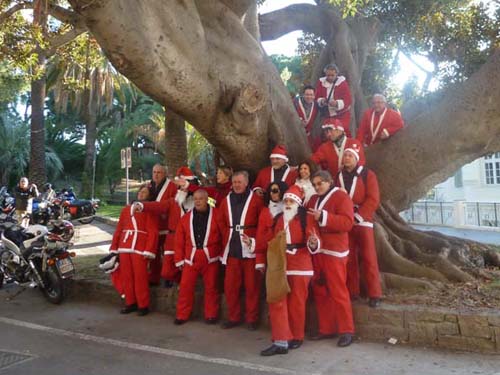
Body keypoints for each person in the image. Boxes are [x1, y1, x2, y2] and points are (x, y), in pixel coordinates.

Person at [253, 185, 319, 356]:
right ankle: (281, 339)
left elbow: (314, 239)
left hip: (301, 265)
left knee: (297, 303)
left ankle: (296, 336)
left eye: (291, 201)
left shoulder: (305, 219)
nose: (288, 204)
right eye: (286, 201)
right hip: (281, 265)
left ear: (297, 203)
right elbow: (269, 240)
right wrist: (253, 244)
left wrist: (313, 243)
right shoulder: (279, 219)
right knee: (277, 300)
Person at [307, 170, 355, 347]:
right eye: (314, 184)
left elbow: (348, 223)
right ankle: (326, 329)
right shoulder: (312, 200)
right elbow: (308, 222)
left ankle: (347, 330)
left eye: (320, 183)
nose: (317, 187)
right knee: (320, 291)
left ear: (329, 182)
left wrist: (325, 217)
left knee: (338, 291)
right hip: (317, 250)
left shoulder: (342, 198)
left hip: (335, 251)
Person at [133, 166, 197, 286]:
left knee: (187, 267)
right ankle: (179, 280)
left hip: (190, 240)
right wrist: (142, 206)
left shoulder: (199, 202)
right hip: (172, 238)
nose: (180, 189)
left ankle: (185, 283)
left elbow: (210, 196)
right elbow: (159, 206)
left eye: (183, 185)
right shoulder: (173, 201)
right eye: (179, 186)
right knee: (167, 272)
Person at [218, 170, 264, 330]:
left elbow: (262, 223)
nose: (236, 185)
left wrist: (254, 241)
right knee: (231, 287)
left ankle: (252, 319)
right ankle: (234, 317)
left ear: (246, 183)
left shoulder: (257, 200)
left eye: (239, 182)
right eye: (234, 182)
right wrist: (227, 235)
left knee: (252, 286)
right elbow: (220, 221)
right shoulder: (226, 200)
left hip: (249, 249)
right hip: (232, 248)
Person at [336, 147, 382, 307]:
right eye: (345, 155)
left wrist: (358, 216)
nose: (347, 158)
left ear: (356, 159)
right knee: (348, 258)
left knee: (369, 257)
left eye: (350, 156)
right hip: (345, 220)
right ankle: (353, 291)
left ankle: (374, 293)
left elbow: (373, 199)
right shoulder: (339, 176)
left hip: (363, 220)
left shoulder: (368, 174)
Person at [173, 190, 222, 325]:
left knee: (212, 288)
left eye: (201, 199)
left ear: (207, 199)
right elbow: (179, 240)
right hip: (191, 258)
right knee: (185, 288)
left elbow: (224, 236)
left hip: (211, 258)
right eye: (195, 199)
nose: (198, 201)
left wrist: (223, 256)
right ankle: (182, 315)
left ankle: (211, 315)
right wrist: (178, 259)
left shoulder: (217, 215)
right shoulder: (186, 218)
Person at [109, 184, 159, 316]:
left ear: (149, 196)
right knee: (127, 277)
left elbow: (152, 231)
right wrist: (114, 248)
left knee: (140, 277)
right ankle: (130, 303)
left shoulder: (149, 211)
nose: (142, 194)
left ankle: (143, 305)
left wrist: (149, 250)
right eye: (140, 192)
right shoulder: (126, 210)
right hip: (124, 246)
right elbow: (119, 229)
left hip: (140, 248)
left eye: (145, 193)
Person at [147, 163, 177, 285]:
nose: (156, 175)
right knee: (153, 252)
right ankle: (154, 277)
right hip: (152, 225)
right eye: (154, 172)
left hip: (166, 225)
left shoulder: (171, 186)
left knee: (167, 254)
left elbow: (175, 204)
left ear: (164, 174)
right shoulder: (149, 186)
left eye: (159, 172)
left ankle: (169, 278)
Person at [254, 181, 289, 272]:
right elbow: (260, 237)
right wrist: (260, 262)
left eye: (275, 190)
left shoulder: (291, 208)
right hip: (271, 254)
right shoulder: (265, 211)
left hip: (289, 255)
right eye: (270, 191)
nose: (271, 193)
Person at [315, 63, 352, 137]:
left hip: (341, 115)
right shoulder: (321, 82)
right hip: (327, 116)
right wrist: (322, 101)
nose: (330, 77)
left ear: (336, 74)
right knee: (326, 135)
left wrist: (337, 103)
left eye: (332, 75)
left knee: (341, 133)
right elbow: (317, 96)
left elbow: (348, 99)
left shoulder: (342, 83)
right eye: (328, 75)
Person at [293, 85, 320, 150]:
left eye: (311, 95)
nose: (309, 97)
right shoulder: (295, 102)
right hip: (294, 134)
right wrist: (298, 121)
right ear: (303, 95)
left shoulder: (316, 105)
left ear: (314, 95)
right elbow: (288, 115)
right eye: (307, 94)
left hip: (307, 136)